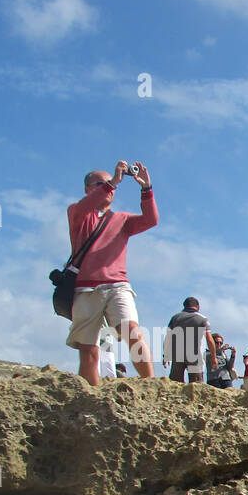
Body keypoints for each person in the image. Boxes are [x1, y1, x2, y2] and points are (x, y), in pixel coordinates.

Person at [65, 161, 157, 385]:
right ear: (88, 189)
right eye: (102, 184)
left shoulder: (121, 219)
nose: (110, 188)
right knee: (88, 349)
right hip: (86, 288)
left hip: (118, 285)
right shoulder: (78, 212)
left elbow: (151, 220)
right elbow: (86, 207)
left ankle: (152, 385)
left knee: (132, 331)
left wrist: (146, 188)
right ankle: (92, 398)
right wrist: (114, 181)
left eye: (111, 184)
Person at [165, 297, 216, 383]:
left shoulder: (175, 318)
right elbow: (209, 340)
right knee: (197, 384)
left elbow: (168, 338)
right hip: (195, 355)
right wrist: (214, 357)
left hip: (177, 354)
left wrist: (166, 355)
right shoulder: (203, 319)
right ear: (198, 307)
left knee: (175, 383)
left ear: (184, 306)